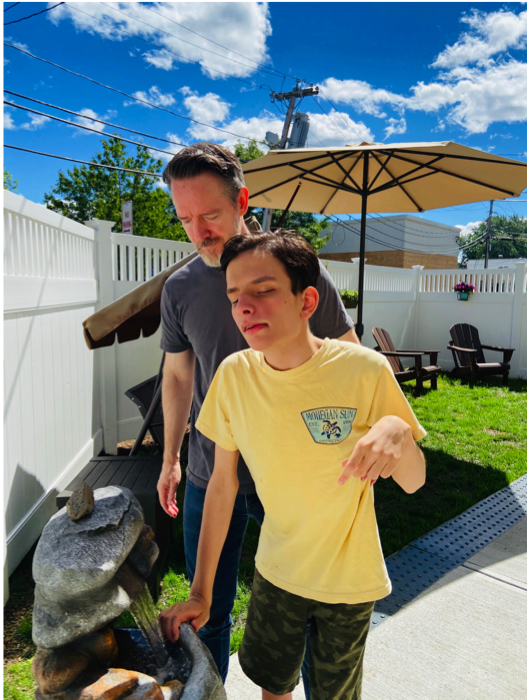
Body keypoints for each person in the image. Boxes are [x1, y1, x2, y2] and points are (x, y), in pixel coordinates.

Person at [159, 231, 427, 700]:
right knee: (273, 688)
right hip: (275, 574)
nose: (244, 306)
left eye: (263, 291)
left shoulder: (364, 370)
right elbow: (223, 486)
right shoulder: (233, 377)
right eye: (234, 295)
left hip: (348, 583)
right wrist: (201, 591)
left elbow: (414, 482)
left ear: (307, 301)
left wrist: (399, 434)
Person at [157, 143, 360, 686]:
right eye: (185, 219)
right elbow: (178, 376)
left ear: (242, 200)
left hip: (296, 473)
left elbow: (349, 354)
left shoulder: (296, 270)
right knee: (209, 611)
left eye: (210, 215)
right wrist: (170, 456)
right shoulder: (178, 289)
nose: (198, 231)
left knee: (315, 607)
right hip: (208, 468)